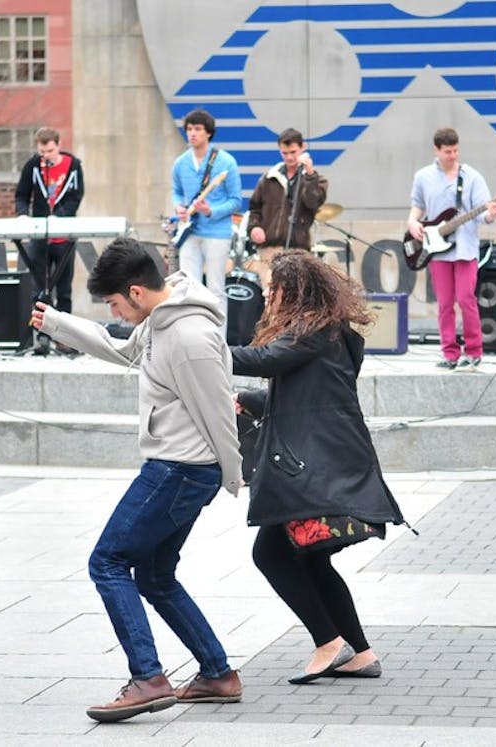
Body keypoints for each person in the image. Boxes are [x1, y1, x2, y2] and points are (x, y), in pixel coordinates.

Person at [31, 237, 244, 723]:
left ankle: (148, 678)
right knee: (154, 575)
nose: (115, 311)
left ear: (137, 292)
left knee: (107, 562)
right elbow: (123, 350)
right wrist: (60, 324)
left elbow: (218, 409)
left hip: (179, 470)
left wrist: (231, 476)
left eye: (113, 303)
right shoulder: (159, 323)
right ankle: (217, 673)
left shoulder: (188, 337)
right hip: (178, 467)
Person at [231, 251, 407, 685]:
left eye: (273, 287)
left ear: (293, 291)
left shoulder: (313, 331)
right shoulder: (324, 332)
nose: (267, 294)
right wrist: (252, 401)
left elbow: (262, 361)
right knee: (310, 562)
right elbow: (310, 396)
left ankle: (329, 643)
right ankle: (360, 654)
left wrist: (197, 347)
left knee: (271, 554)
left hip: (315, 471)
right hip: (323, 465)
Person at [408, 127, 496, 370]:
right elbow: (417, 206)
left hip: (466, 249)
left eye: (456, 151)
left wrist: (490, 215)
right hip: (437, 249)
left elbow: (483, 213)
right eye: (448, 151)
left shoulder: (472, 177)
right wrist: (412, 222)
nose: (453, 156)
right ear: (436, 150)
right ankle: (449, 353)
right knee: (445, 303)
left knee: (466, 298)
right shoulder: (423, 177)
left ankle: (474, 350)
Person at [14, 126, 85, 355]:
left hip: (63, 237)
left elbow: (76, 196)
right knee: (40, 290)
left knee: (63, 290)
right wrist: (24, 214)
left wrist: (60, 216)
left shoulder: (73, 166)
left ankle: (66, 339)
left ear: (58, 145)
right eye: (42, 151)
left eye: (50, 151)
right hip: (40, 238)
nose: (46, 155)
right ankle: (42, 337)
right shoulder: (33, 166)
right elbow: (22, 195)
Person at [171, 108, 242, 328]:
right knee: (187, 288)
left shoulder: (226, 162)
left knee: (215, 288)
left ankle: (218, 341)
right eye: (189, 129)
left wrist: (211, 210)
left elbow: (236, 200)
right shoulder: (180, 163)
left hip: (217, 233)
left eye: (198, 129)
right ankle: (192, 335)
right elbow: (176, 190)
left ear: (208, 133)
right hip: (189, 231)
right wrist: (179, 207)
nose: (192, 134)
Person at [247, 127, 328, 283]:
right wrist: (254, 227)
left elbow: (313, 203)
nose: (289, 157)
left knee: (296, 296)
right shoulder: (269, 177)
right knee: (271, 293)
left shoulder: (316, 179)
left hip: (299, 248)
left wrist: (310, 176)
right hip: (270, 247)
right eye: (284, 153)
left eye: (293, 152)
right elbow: (254, 208)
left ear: (302, 148)